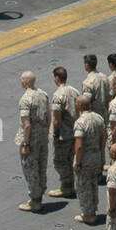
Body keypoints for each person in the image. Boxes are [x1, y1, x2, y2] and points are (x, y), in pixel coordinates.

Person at [16, 71, 50, 213]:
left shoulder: (25, 99)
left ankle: (35, 201)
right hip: (42, 136)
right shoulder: (43, 94)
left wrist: (26, 144)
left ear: (26, 82)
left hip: (32, 138)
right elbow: (49, 116)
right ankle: (40, 194)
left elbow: (27, 125)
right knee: (42, 166)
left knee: (31, 168)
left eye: (22, 80)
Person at [71, 94, 106, 225]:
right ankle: (93, 208)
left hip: (85, 157)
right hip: (96, 154)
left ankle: (88, 214)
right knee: (93, 184)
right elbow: (104, 137)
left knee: (83, 186)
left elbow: (79, 145)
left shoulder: (80, 122)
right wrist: (101, 153)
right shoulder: (98, 118)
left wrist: (78, 162)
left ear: (80, 106)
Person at [49, 66, 80, 199]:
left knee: (60, 161)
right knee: (70, 159)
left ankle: (66, 187)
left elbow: (57, 119)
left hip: (63, 134)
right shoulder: (75, 91)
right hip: (75, 131)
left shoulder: (58, 95)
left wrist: (55, 134)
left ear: (57, 78)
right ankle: (70, 183)